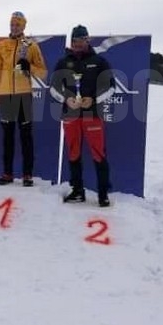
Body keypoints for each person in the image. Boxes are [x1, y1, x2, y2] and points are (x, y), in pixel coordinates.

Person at [50, 25, 115, 207]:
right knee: (73, 152)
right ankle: (78, 191)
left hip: (92, 115)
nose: (78, 44)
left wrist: (92, 100)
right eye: (75, 40)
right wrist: (66, 99)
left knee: (98, 153)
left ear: (88, 40)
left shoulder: (99, 61)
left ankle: (103, 194)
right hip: (70, 115)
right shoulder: (63, 62)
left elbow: (111, 87)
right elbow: (53, 88)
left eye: (81, 40)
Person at [0, 11, 47, 187]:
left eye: (18, 25)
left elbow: (43, 72)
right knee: (7, 137)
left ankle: (27, 174)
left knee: (26, 136)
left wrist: (28, 66)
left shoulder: (31, 45)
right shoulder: (2, 45)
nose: (14, 27)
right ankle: (7, 173)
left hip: (24, 95)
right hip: (6, 95)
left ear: (24, 26)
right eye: (12, 24)